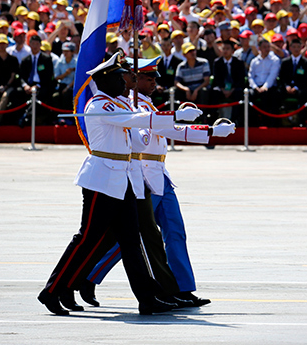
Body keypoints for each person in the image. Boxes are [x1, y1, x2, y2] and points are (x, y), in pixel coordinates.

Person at [38, 52, 202, 316]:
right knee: (86, 239)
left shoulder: (119, 103)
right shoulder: (99, 105)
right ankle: (53, 290)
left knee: (130, 241)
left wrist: (170, 122)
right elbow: (134, 120)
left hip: (122, 179)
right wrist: (174, 115)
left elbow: (139, 134)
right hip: (101, 180)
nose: (126, 81)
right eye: (121, 77)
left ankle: (147, 298)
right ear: (106, 80)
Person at [79, 57, 233, 308]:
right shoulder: (125, 106)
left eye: (154, 79)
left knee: (174, 233)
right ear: (132, 79)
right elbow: (151, 132)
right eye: (147, 78)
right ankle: (89, 276)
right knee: (127, 239)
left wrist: (211, 132)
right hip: (139, 176)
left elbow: (172, 130)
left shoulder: (147, 104)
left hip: (160, 176)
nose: (152, 83)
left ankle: (181, 289)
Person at [211, 39, 246, 123]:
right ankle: (213, 118)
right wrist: (223, 89)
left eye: (227, 49)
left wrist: (232, 89)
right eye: (223, 49)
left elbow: (240, 78)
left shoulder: (239, 62)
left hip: (234, 87)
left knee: (239, 93)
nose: (225, 51)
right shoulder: (217, 62)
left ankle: (235, 119)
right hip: (222, 88)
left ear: (232, 51)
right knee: (214, 92)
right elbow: (217, 78)